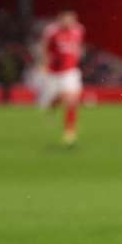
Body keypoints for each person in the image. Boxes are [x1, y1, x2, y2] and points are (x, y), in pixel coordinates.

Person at [41, 11, 85, 146]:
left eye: (72, 19)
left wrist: (76, 58)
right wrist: (44, 64)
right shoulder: (52, 32)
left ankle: (70, 132)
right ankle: (53, 106)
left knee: (72, 99)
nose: (69, 21)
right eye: (66, 19)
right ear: (60, 19)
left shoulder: (79, 30)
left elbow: (78, 47)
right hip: (54, 72)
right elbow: (46, 49)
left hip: (71, 71)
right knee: (56, 98)